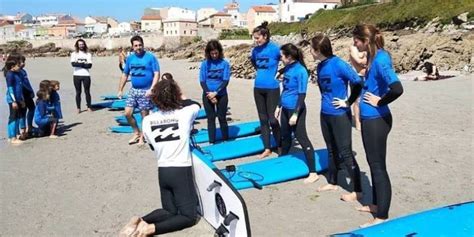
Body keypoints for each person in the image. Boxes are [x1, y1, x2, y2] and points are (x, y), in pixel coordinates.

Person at [119, 73, 199, 237]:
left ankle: (140, 220)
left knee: (169, 210)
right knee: (188, 216)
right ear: (175, 96)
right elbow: (194, 103)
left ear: (155, 99)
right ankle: (150, 229)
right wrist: (177, 91)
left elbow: (151, 146)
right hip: (180, 169)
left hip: (163, 169)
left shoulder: (147, 120)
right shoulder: (185, 113)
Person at [352, 24, 404, 227]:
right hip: (369, 118)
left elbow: (397, 88)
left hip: (377, 120)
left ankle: (382, 216)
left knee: (378, 167)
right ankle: (375, 204)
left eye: (356, 41)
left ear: (365, 40)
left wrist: (380, 101)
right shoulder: (374, 57)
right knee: (373, 164)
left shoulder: (381, 59)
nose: (354, 45)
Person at [310, 34, 363, 201]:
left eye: (311, 48)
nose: (310, 51)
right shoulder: (320, 66)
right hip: (324, 113)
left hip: (339, 115)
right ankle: (332, 182)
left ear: (318, 50)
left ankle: (358, 190)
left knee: (345, 152)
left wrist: (348, 102)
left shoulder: (338, 64)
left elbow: (358, 82)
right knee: (331, 149)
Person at [274, 43, 319, 184]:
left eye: (282, 55)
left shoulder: (301, 71)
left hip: (296, 109)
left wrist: (295, 114)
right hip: (285, 108)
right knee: (285, 136)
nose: (280, 58)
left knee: (302, 138)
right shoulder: (288, 68)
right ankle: (283, 162)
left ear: (289, 56)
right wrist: (278, 106)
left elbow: (301, 95)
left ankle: (313, 172)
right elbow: (285, 89)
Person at [117, 35, 160, 145]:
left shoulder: (150, 57)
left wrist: (152, 89)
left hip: (146, 91)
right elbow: (125, 74)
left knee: (144, 117)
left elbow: (156, 73)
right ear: (132, 47)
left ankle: (143, 136)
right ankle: (136, 132)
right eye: (136, 45)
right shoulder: (130, 58)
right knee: (127, 113)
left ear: (143, 45)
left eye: (140, 45)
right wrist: (120, 90)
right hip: (133, 90)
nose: (138, 47)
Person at [250, 21, 282, 158]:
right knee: (263, 120)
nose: (255, 41)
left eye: (257, 38)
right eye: (254, 38)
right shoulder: (255, 51)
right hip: (258, 88)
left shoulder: (275, 49)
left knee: (273, 119)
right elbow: (254, 62)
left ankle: (280, 146)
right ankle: (267, 148)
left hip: (272, 88)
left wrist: (281, 72)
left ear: (265, 36)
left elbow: (289, 60)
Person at [199, 40, 231, 144]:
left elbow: (226, 80)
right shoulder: (205, 64)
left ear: (219, 52)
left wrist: (216, 93)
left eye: (216, 53)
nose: (214, 55)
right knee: (211, 118)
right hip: (208, 94)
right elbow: (202, 81)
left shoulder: (224, 64)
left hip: (221, 94)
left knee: (222, 117)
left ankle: (226, 139)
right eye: (212, 53)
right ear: (208, 53)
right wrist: (209, 94)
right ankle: (211, 141)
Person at [4, 58, 25, 145]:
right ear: (12, 66)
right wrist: (13, 101)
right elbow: (10, 88)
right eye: (18, 65)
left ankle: (15, 134)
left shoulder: (17, 73)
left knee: (17, 116)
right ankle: (12, 137)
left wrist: (22, 99)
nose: (20, 66)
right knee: (14, 117)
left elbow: (20, 88)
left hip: (18, 98)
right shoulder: (10, 74)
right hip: (13, 99)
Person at [71, 39, 93, 113]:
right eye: (80, 44)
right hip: (76, 75)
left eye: (82, 44)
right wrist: (83, 64)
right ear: (77, 45)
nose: (81, 46)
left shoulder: (88, 54)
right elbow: (73, 64)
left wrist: (79, 64)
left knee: (87, 92)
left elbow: (89, 65)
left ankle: (89, 107)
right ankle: (78, 108)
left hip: (86, 75)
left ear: (84, 45)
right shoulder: (74, 54)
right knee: (78, 92)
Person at [349, 45, 367, 131]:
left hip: (366, 76)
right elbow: (359, 61)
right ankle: (357, 122)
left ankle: (364, 119)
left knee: (366, 98)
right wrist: (365, 58)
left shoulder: (367, 47)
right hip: (356, 76)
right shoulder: (353, 48)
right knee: (357, 100)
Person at [18, 54, 36, 139]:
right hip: (22, 95)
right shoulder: (16, 73)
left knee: (32, 109)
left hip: (28, 94)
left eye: (24, 62)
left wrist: (31, 91)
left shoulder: (24, 71)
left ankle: (30, 125)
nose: (23, 63)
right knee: (22, 113)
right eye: (22, 62)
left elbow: (27, 83)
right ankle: (23, 130)